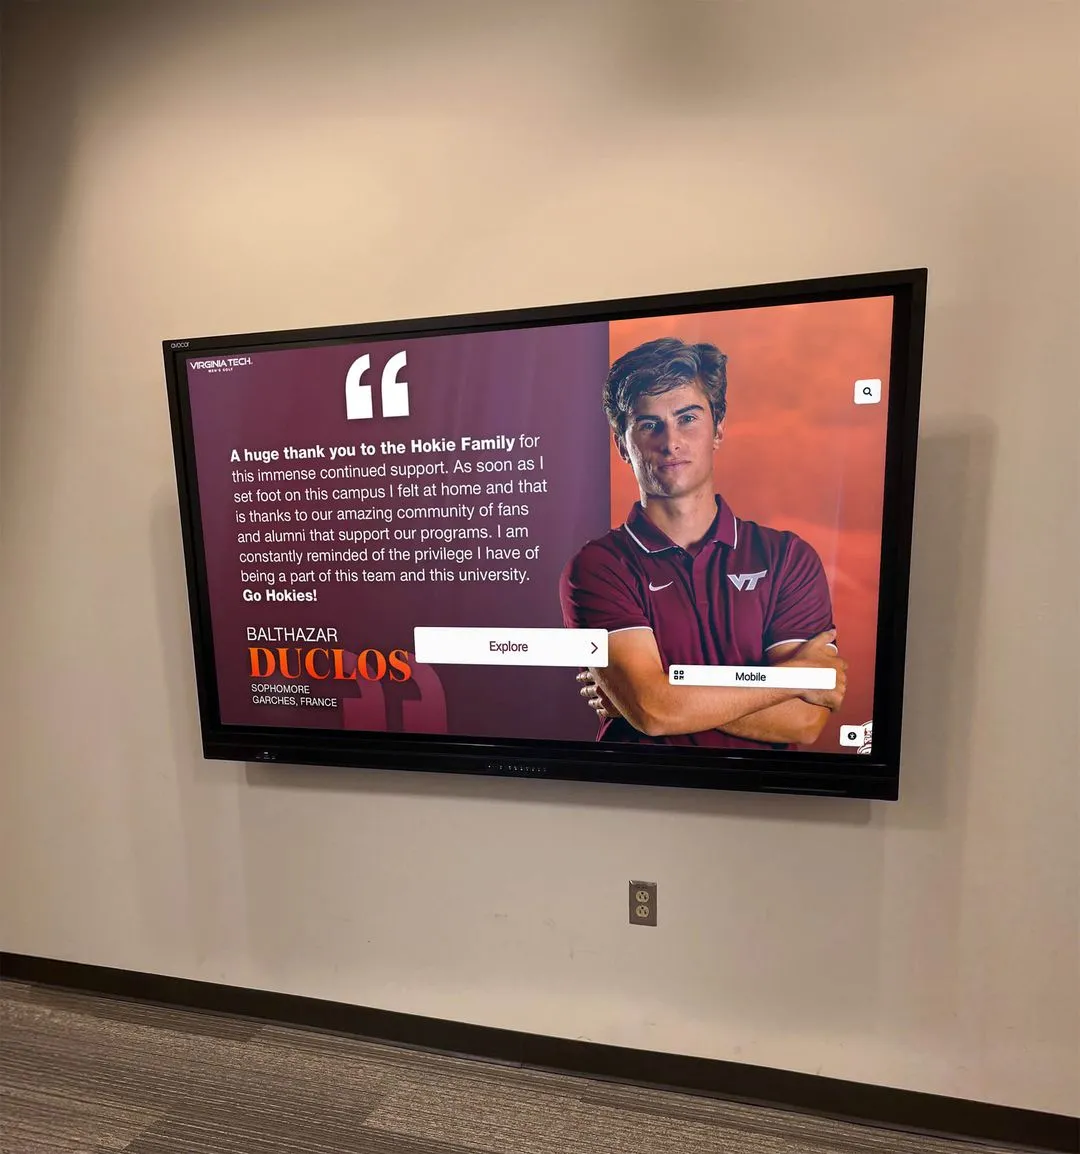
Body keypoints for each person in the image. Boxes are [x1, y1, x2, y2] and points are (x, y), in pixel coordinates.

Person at [559, 336, 846, 749]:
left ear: (719, 428)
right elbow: (654, 710)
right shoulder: (598, 566)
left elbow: (802, 721)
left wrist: (655, 697)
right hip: (634, 800)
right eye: (648, 424)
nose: (670, 441)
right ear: (623, 443)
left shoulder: (787, 558)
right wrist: (788, 679)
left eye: (688, 418)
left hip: (768, 806)